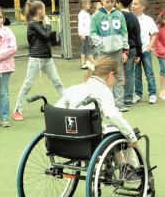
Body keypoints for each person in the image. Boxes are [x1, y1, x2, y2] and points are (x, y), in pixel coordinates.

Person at [55, 56, 140, 184]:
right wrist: (132, 137)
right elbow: (113, 115)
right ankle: (128, 169)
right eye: (116, 78)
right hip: (89, 140)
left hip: (66, 140)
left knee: (110, 129)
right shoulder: (103, 90)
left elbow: (58, 110)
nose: (115, 82)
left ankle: (122, 165)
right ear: (111, 75)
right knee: (122, 132)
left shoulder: (74, 88)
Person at [14, 0, 65, 120]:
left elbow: (48, 39)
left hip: (47, 58)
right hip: (36, 58)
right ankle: (17, 110)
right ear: (40, 11)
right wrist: (48, 24)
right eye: (44, 9)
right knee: (28, 84)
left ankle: (68, 104)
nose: (45, 12)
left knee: (57, 81)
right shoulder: (32, 24)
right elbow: (46, 35)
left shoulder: (39, 24)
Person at [90, 0, 129, 111]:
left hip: (118, 51)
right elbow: (92, 33)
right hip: (103, 52)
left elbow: (124, 33)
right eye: (107, 1)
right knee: (103, 77)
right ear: (101, 0)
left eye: (112, 2)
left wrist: (125, 50)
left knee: (118, 77)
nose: (110, 4)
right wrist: (101, 44)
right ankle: (105, 103)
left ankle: (119, 103)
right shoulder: (96, 15)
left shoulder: (119, 14)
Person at [116, 0, 142, 109]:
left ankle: (116, 97)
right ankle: (128, 98)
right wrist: (139, 53)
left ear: (119, 3)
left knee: (116, 73)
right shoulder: (133, 17)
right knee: (129, 74)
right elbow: (137, 36)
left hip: (118, 48)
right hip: (132, 48)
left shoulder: (115, 16)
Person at [131, 0, 158, 104]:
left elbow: (154, 34)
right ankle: (138, 94)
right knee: (137, 75)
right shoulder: (130, 18)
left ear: (142, 7)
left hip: (145, 51)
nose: (133, 6)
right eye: (132, 4)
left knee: (149, 73)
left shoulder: (148, 20)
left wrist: (149, 48)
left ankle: (153, 94)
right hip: (134, 51)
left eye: (135, 4)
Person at [77, 0, 95, 69]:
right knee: (89, 49)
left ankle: (83, 63)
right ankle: (95, 63)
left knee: (84, 49)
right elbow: (81, 25)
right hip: (85, 34)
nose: (90, 5)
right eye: (88, 4)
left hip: (87, 33)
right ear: (84, 5)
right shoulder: (82, 14)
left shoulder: (86, 14)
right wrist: (82, 34)